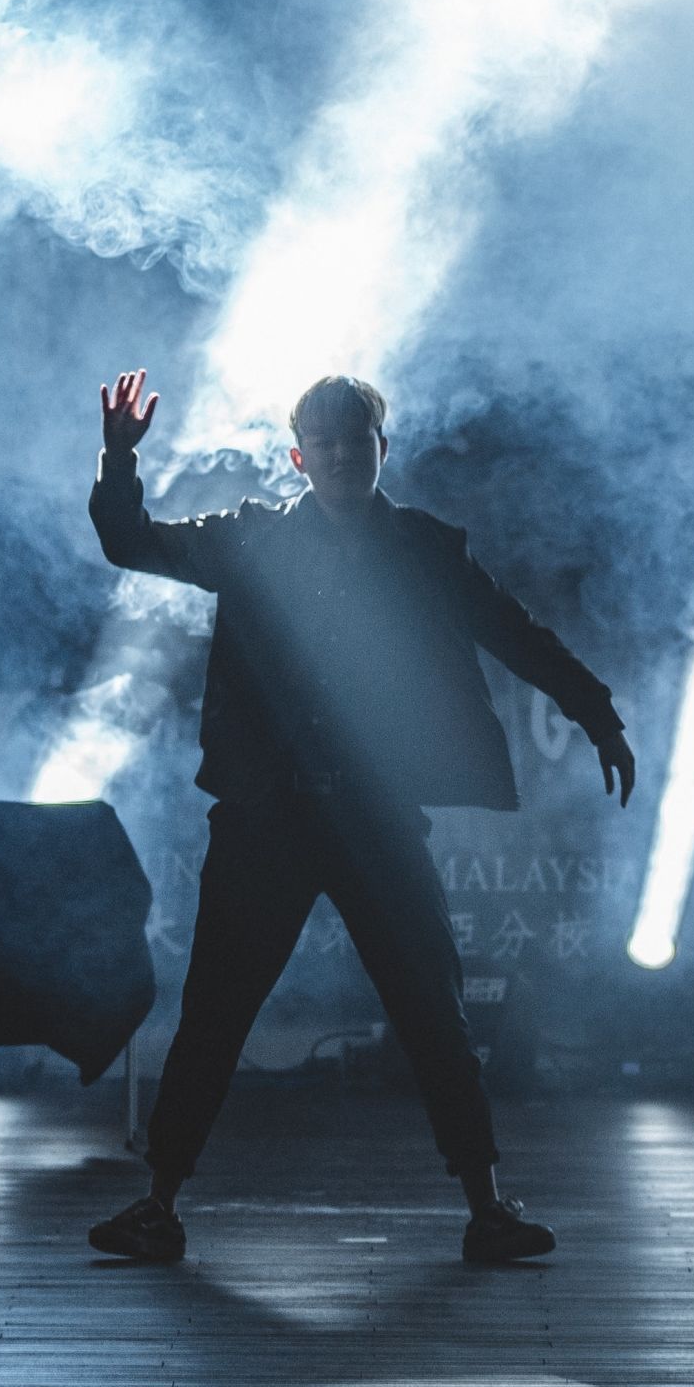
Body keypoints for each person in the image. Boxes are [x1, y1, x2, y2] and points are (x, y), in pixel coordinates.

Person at [82, 367, 636, 1266]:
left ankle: (487, 1206)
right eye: (326, 443)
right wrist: (117, 457)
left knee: (433, 1007)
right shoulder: (251, 540)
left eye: (357, 441)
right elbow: (128, 541)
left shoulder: (425, 549)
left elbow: (515, 632)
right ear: (299, 456)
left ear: (384, 449)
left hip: (376, 817)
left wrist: (596, 713)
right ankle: (158, 1203)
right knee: (216, 1012)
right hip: (268, 820)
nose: (342, 456)